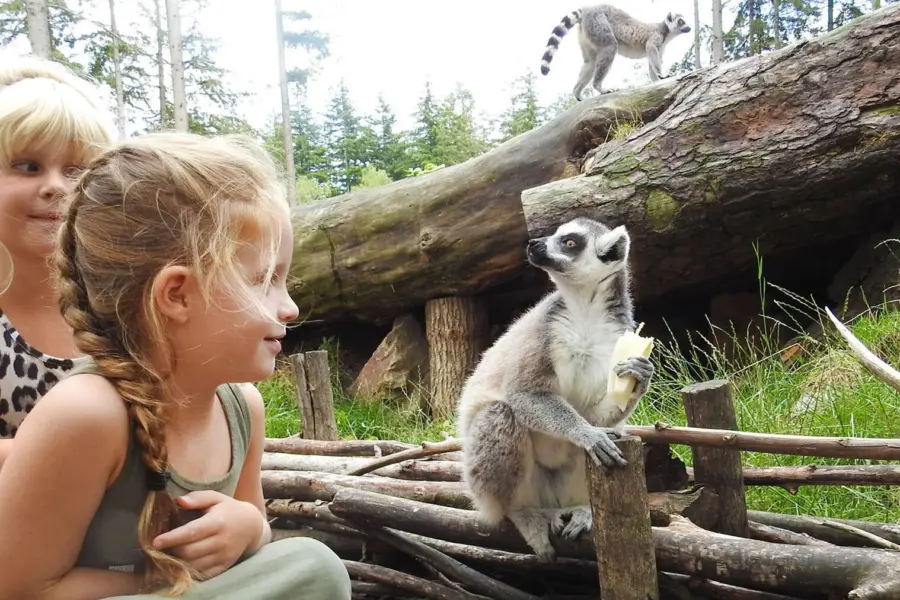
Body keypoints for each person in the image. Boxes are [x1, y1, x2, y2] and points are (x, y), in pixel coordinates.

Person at [0, 132, 351, 599]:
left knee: (308, 567)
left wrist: (250, 528)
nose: (288, 308)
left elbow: (254, 547)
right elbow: (19, 588)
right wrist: (166, 577)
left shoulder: (241, 409)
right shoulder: (86, 414)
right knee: (314, 568)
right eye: (264, 280)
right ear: (177, 294)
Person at [0, 54, 115, 465]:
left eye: (76, 170)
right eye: (27, 166)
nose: (54, 186)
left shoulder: (121, 307)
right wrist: (65, 452)